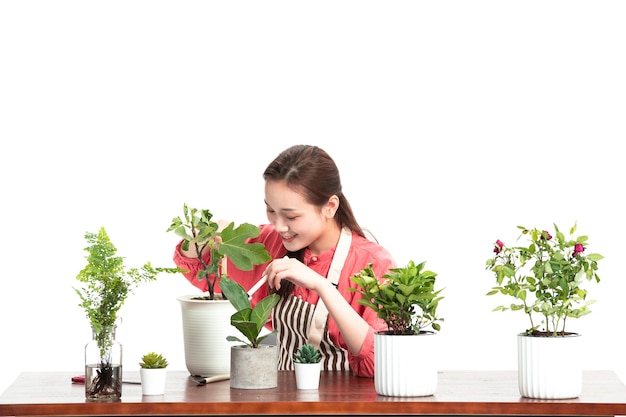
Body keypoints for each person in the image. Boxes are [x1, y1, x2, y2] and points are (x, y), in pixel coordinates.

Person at [173, 144, 396, 378]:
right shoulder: (268, 243)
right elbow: (202, 269)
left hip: (345, 406)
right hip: (281, 399)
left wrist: (321, 285)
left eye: (291, 216)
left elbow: (380, 360)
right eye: (270, 210)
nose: (279, 226)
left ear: (329, 207)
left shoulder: (373, 264)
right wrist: (201, 237)